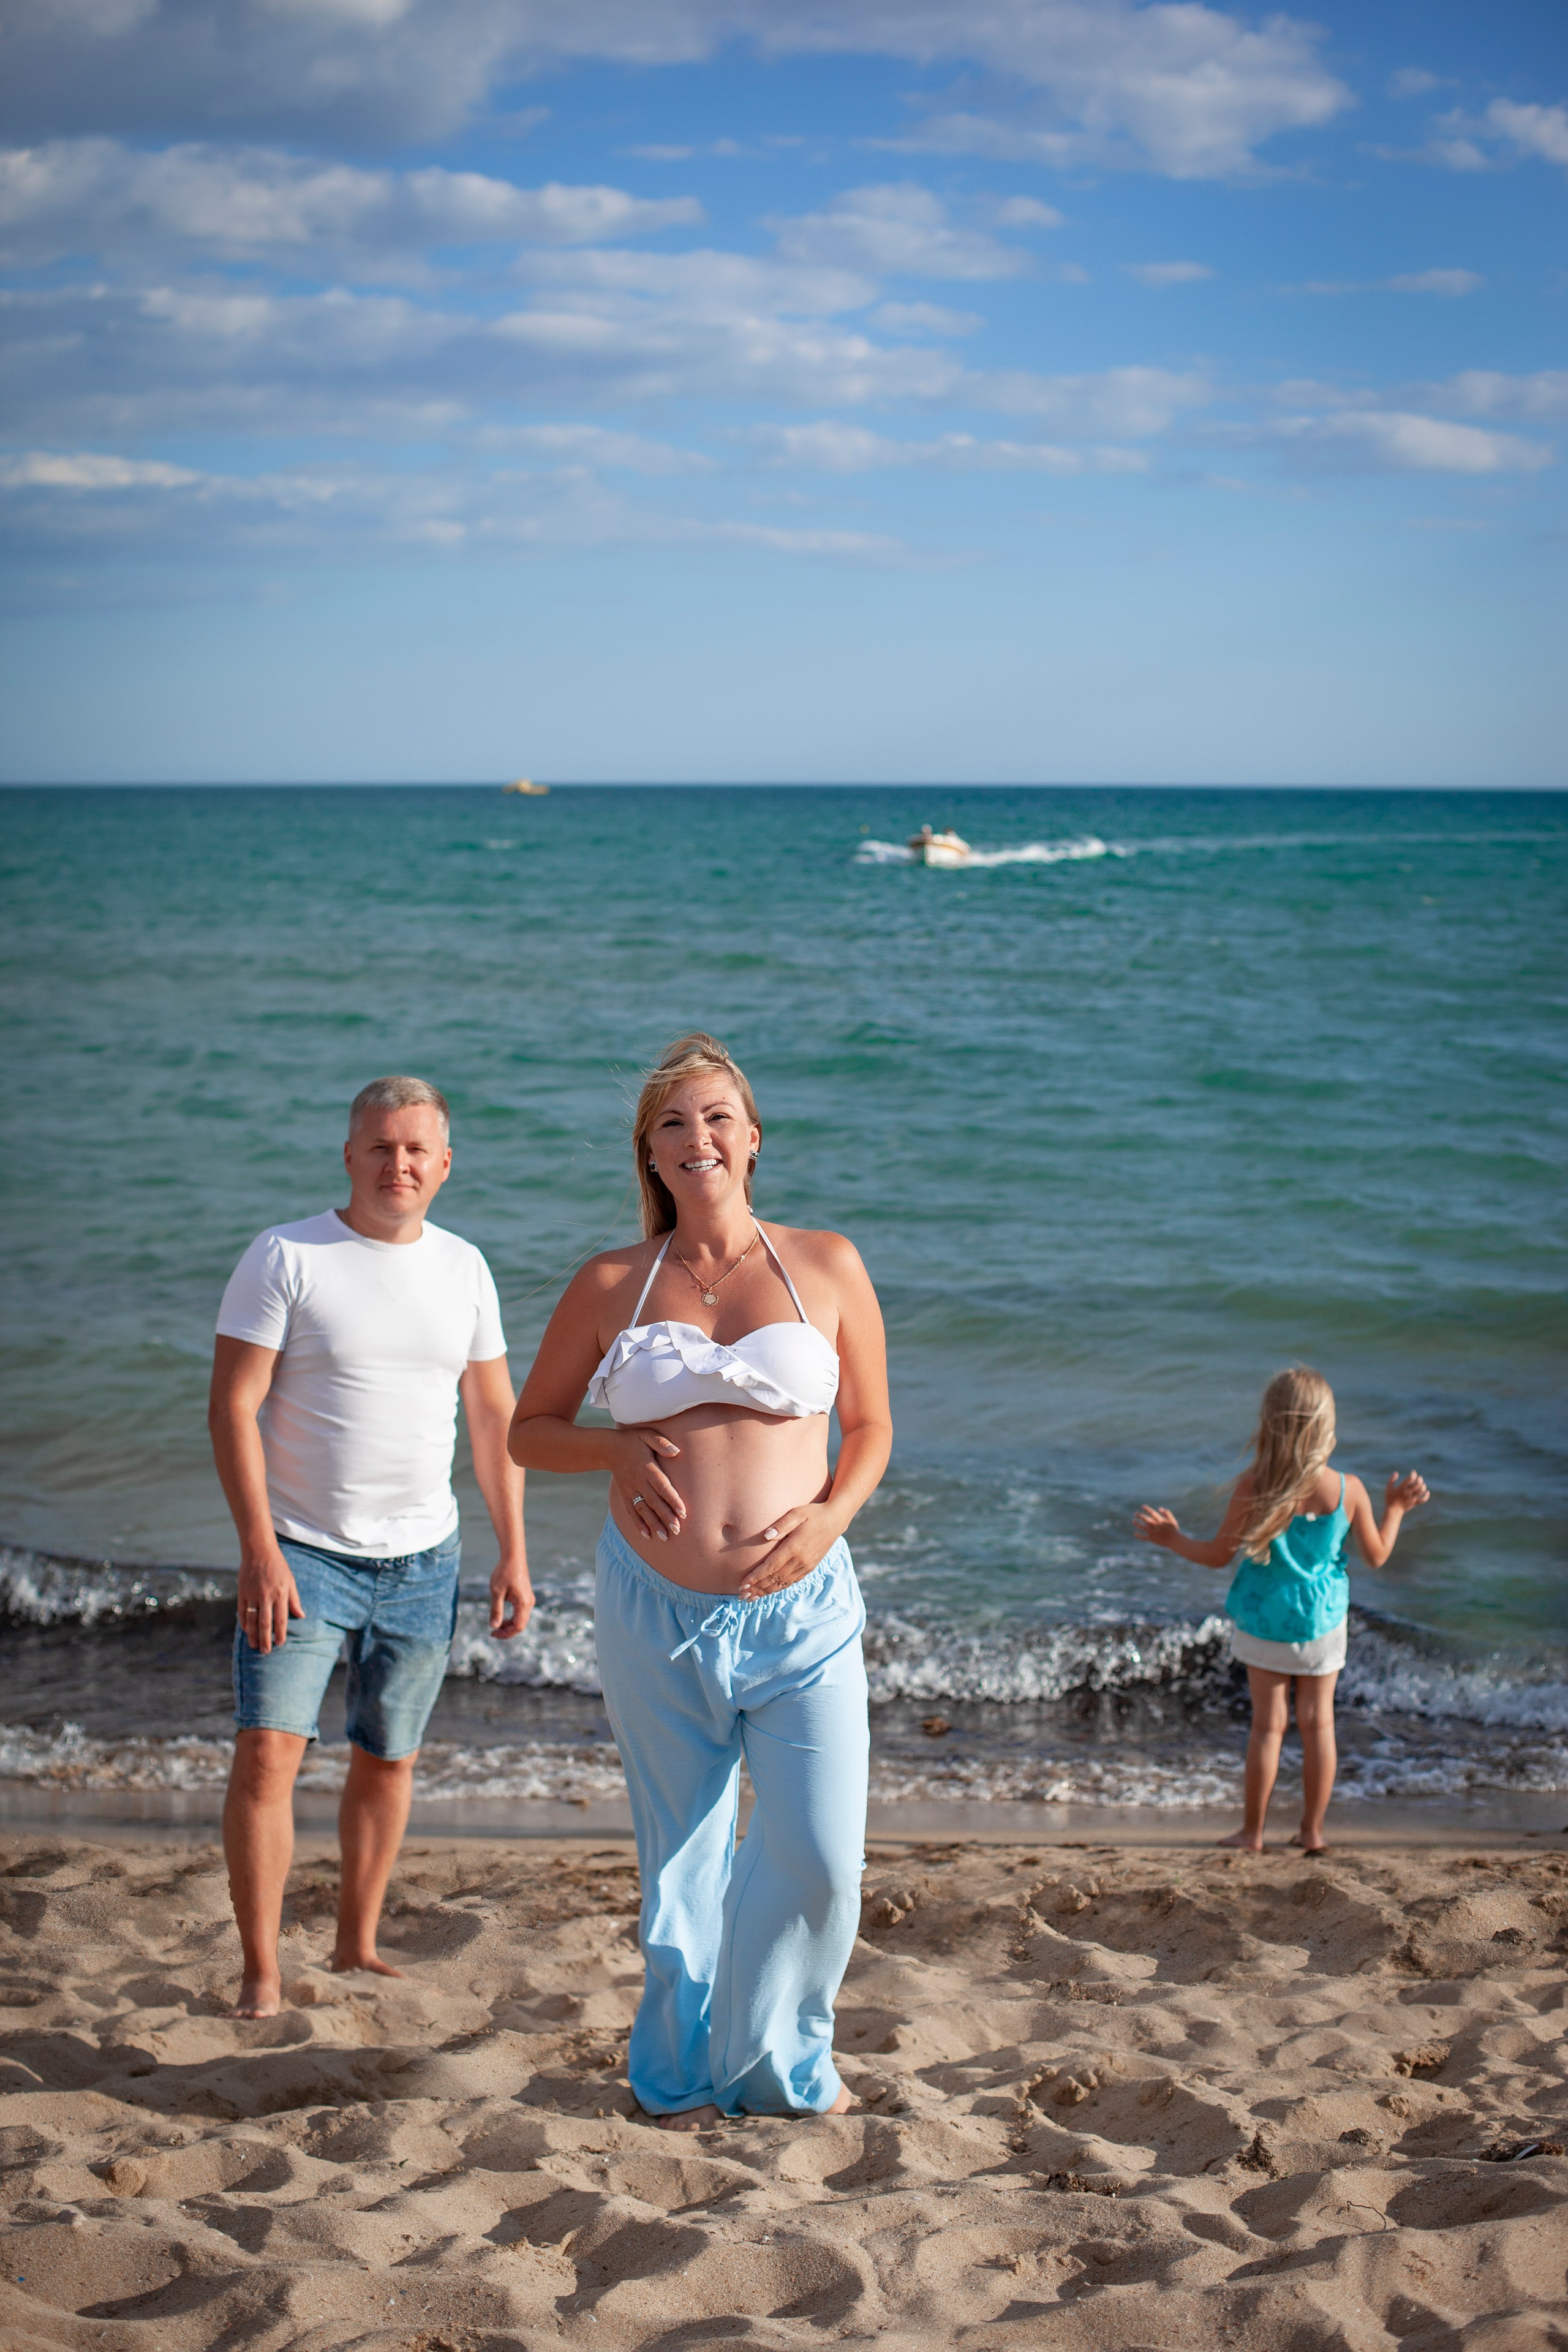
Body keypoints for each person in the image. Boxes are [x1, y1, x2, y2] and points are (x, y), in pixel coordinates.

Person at [508, 1033, 892, 2127]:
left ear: (754, 1137)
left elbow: (868, 1426)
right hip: (652, 1608)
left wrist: (830, 1518)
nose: (698, 1137)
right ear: (650, 1152)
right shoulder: (612, 1283)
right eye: (673, 1123)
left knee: (820, 1859)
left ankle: (777, 2057)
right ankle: (677, 2078)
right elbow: (530, 1432)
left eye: (717, 1116)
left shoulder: (826, 1265)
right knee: (680, 1862)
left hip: (804, 1607)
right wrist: (616, 1451)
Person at [209, 1075, 532, 2017]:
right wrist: (258, 1549)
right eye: (382, 1147)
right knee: (270, 1755)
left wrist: (513, 1550)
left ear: (444, 1165)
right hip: (301, 1553)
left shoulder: (466, 1267)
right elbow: (234, 1407)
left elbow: (493, 1419)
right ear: (350, 1154)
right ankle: (263, 1972)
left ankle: (357, 1944)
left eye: (417, 1150)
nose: (400, 1164)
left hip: (424, 1559)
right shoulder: (285, 1256)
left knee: (388, 1756)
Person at [1134, 1365, 1428, 1853]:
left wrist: (1172, 1539)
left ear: (1269, 1426)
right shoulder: (1348, 1490)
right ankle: (1312, 1832)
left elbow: (1216, 1556)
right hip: (1323, 1624)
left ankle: (1252, 1834)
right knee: (1319, 1725)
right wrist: (1395, 1509)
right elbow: (1377, 1557)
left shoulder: (1255, 1488)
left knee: (1267, 1728)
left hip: (1265, 1620)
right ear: (1326, 1429)